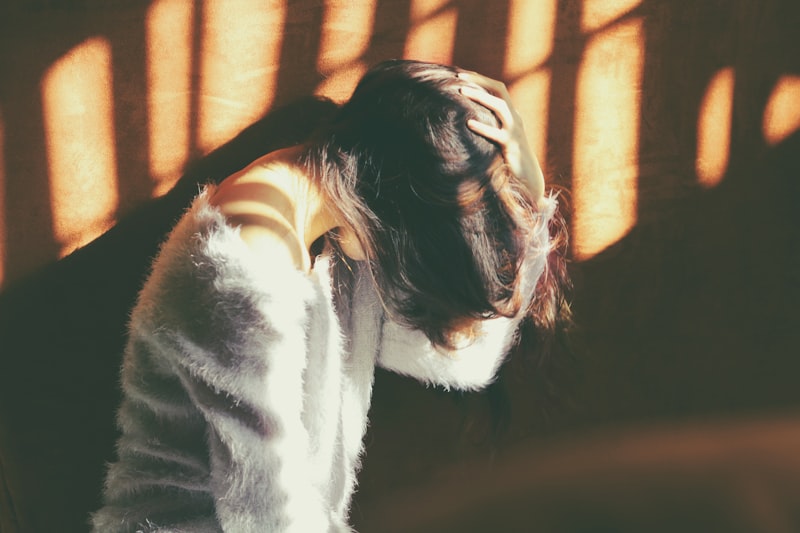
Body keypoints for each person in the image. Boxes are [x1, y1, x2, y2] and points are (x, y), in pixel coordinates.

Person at [90, 59, 569, 532]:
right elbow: (265, 515)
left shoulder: (347, 199)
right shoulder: (245, 264)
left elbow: (458, 358)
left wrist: (528, 196)